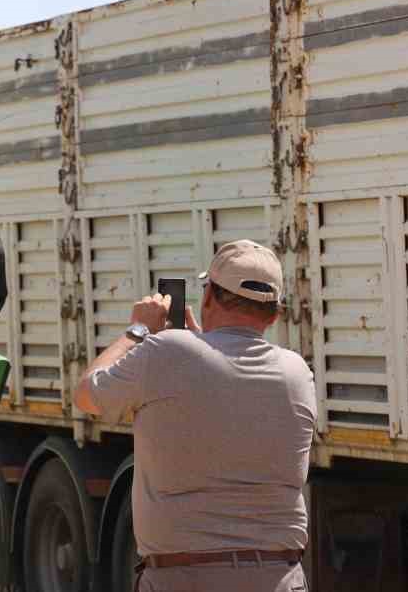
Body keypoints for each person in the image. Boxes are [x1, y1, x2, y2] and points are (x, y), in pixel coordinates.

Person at [74, 240, 317, 592]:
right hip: (278, 575)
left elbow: (86, 394)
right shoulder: (297, 372)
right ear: (275, 314)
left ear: (207, 298)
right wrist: (206, 349)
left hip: (184, 577)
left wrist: (138, 331)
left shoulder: (166, 352)